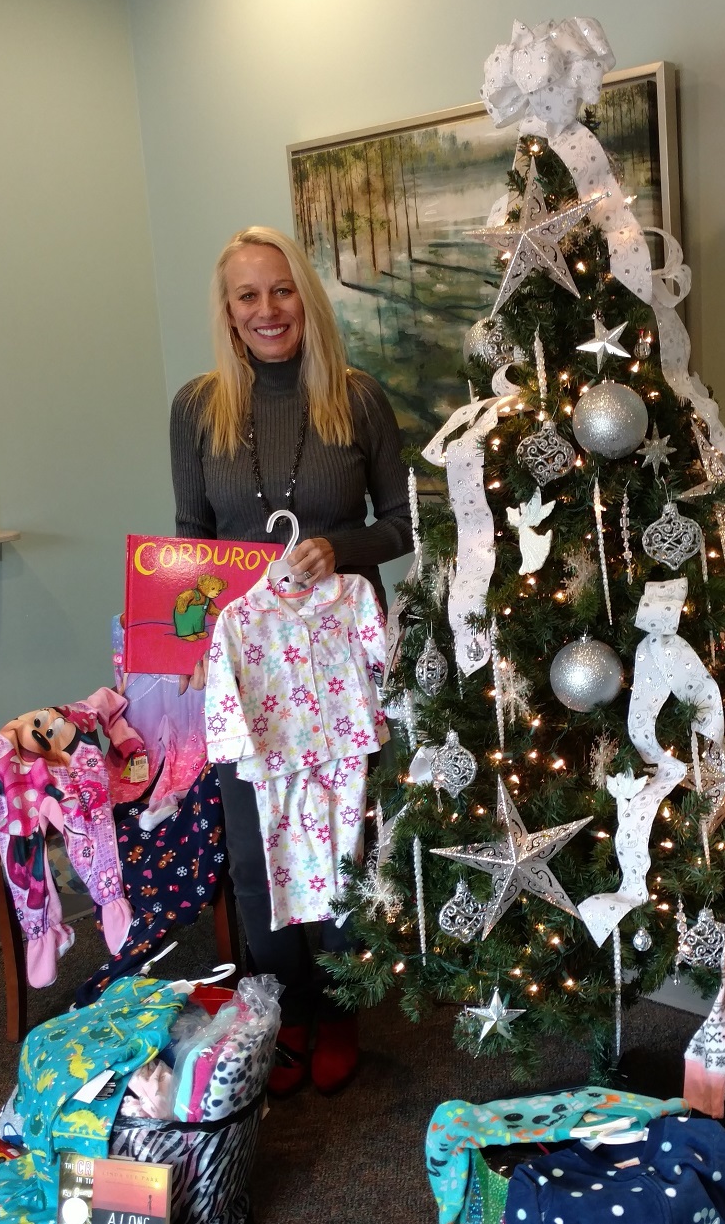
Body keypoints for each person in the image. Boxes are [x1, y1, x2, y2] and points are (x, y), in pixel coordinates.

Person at [170, 225, 412, 1096]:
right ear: (228, 312)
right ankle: (283, 1010)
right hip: (244, 666)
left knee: (341, 832)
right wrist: (187, 641)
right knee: (251, 846)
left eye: (281, 291)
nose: (267, 310)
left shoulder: (357, 398)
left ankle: (341, 1009)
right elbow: (191, 539)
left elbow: (406, 521)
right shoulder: (198, 408)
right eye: (248, 296)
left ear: (304, 298)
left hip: (336, 658)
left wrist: (339, 548)